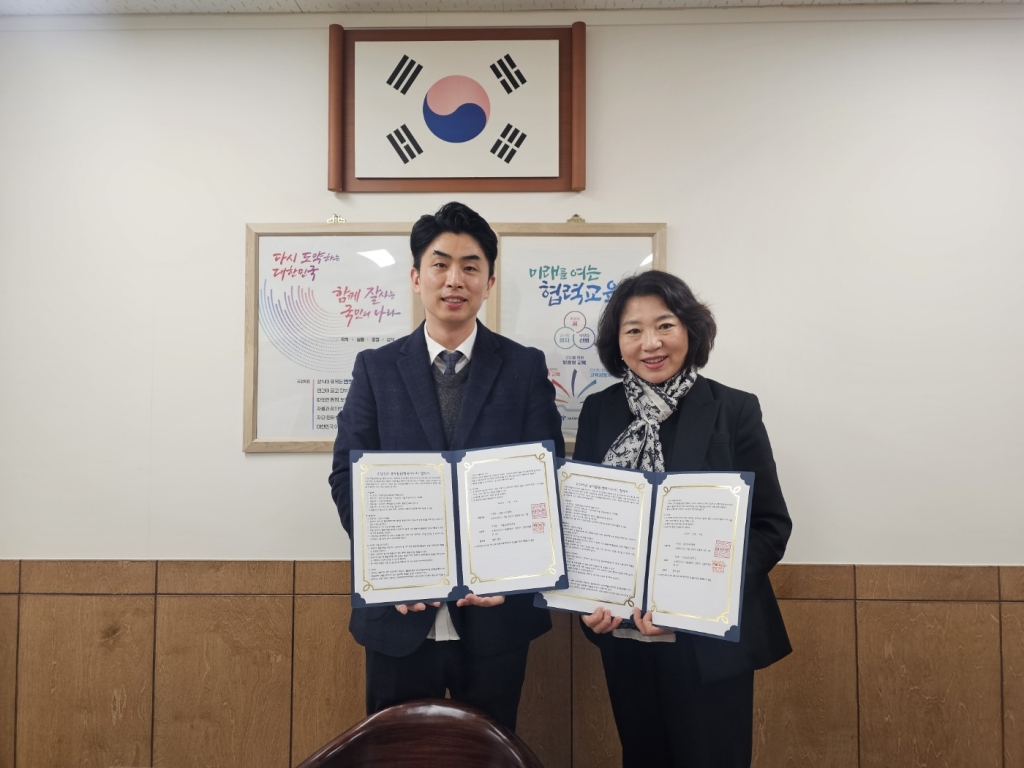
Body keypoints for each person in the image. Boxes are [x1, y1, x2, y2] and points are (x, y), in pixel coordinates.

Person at [327, 201, 564, 732]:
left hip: (497, 614)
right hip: (398, 614)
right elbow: (347, 478)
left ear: (489, 281)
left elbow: (546, 478)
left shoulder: (523, 366)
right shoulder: (375, 368)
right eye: (440, 264)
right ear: (416, 277)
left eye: (470, 266)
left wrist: (515, 570)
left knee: (490, 753)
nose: (454, 279)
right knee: (397, 753)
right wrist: (394, 570)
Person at [574, 270, 792, 768]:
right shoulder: (599, 411)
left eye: (664, 325)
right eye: (633, 330)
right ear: (617, 342)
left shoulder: (733, 409)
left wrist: (691, 600)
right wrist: (588, 602)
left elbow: (770, 527)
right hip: (627, 641)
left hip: (709, 644)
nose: (650, 343)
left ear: (690, 329)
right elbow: (582, 525)